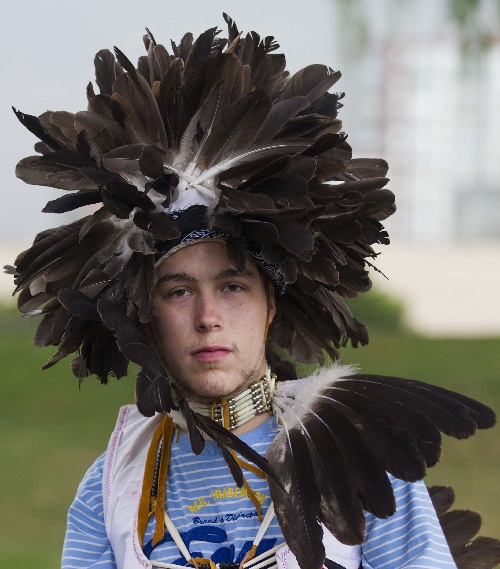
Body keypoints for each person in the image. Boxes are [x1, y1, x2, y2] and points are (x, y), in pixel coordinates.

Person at [8, 15, 497, 569]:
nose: (208, 316)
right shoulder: (112, 483)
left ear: (270, 308)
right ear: (143, 316)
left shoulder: (356, 451)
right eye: (177, 291)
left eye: (233, 286)